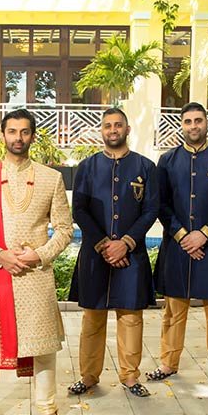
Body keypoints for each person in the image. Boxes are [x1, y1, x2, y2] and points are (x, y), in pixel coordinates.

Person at [0, 108, 73, 415]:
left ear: (32, 136)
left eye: (24, 132)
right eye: (12, 131)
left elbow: (65, 230)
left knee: (43, 348)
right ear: (2, 134)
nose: (18, 138)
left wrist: (38, 256)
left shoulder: (51, 178)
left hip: (36, 278)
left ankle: (48, 409)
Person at [149, 102, 208, 390]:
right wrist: (181, 235)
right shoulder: (167, 159)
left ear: (206, 123)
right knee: (174, 310)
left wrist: (204, 234)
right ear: (182, 125)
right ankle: (168, 363)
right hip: (177, 246)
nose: (193, 126)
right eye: (188, 121)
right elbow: (160, 203)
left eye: (198, 121)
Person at [67, 108, 158, 398]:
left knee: (130, 317)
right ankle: (88, 376)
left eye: (118, 124)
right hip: (96, 254)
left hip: (132, 254)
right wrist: (105, 244)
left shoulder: (145, 167)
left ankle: (130, 377)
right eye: (108, 125)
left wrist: (127, 242)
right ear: (102, 130)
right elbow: (78, 209)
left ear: (127, 129)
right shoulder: (87, 167)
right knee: (92, 317)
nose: (113, 130)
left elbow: (151, 209)